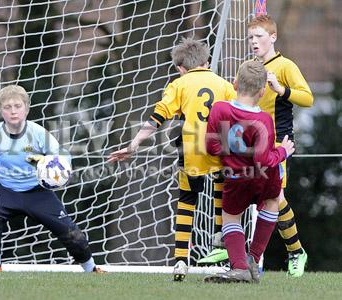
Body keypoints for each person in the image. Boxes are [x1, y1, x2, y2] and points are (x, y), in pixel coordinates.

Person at [108, 37, 236, 281]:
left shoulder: (179, 85)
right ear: (207, 62)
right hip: (221, 148)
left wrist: (133, 145)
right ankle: (220, 242)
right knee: (222, 192)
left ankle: (180, 261)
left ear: (180, 68)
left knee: (187, 201)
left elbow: (157, 118)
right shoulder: (223, 84)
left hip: (191, 151)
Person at [201, 15, 313, 277]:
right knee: (228, 183)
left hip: (275, 142)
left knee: (275, 198)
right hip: (245, 142)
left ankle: (295, 252)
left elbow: (307, 98)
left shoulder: (285, 66)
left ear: (272, 37)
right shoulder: (248, 66)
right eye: (250, 37)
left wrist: (281, 89)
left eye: (259, 36)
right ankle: (232, 246)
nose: (253, 41)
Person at [0, 85, 105, 273]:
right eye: (7, 107)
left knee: (68, 230)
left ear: (27, 108)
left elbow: (63, 158)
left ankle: (91, 269)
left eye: (17, 106)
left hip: (37, 191)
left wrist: (47, 162)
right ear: (1, 110)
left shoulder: (39, 133)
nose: (13, 111)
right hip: (3, 188)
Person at [203, 60, 295, 283]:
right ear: (263, 91)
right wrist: (283, 152)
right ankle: (253, 259)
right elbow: (263, 159)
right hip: (264, 177)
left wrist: (231, 152)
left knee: (231, 218)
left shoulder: (220, 109)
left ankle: (240, 266)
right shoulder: (264, 119)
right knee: (273, 202)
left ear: (234, 84)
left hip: (236, 176)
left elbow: (211, 146)